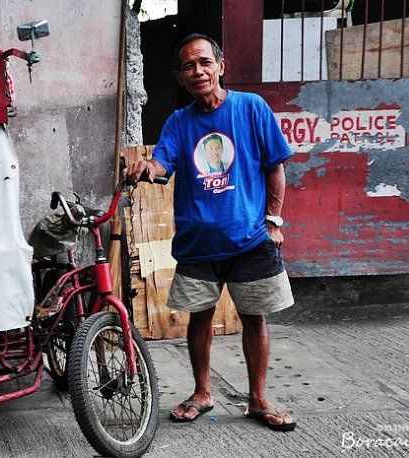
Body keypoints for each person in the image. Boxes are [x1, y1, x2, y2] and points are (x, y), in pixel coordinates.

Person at [124, 33, 297, 431]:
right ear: (180, 78)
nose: (198, 71)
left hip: (251, 239)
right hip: (197, 243)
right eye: (188, 66)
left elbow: (276, 166)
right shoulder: (178, 122)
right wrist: (147, 168)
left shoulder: (251, 108)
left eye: (204, 62)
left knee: (255, 319)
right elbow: (162, 163)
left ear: (220, 66)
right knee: (199, 319)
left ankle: (258, 399)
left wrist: (273, 221)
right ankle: (202, 392)